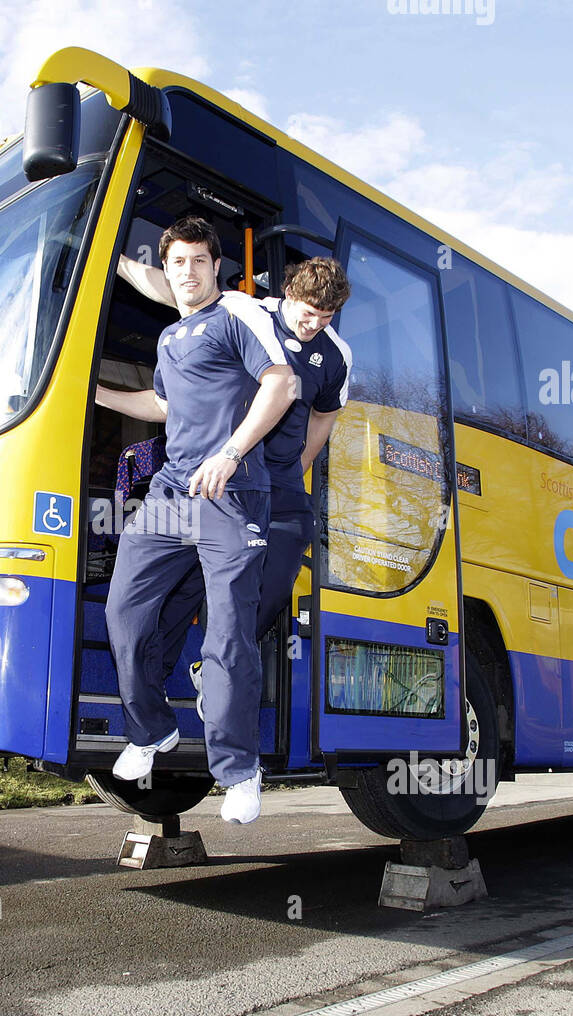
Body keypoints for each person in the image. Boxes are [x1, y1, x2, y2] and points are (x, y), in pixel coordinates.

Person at [100, 216, 297, 825]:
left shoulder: (237, 316)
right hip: (171, 491)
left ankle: (238, 771)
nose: (188, 272)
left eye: (199, 261)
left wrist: (232, 451)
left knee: (227, 633)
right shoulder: (169, 339)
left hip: (234, 493)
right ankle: (152, 731)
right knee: (124, 611)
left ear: (217, 269)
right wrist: (95, 393)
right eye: (178, 263)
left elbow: (282, 383)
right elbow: (160, 405)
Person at [105, 255, 353, 721]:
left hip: (275, 485)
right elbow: (170, 287)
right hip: (219, 479)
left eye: (325, 318)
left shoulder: (336, 353)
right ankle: (149, 688)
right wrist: (114, 260)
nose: (313, 325)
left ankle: (212, 669)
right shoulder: (245, 311)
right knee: (183, 582)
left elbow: (323, 417)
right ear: (288, 295)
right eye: (306, 313)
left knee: (272, 584)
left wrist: (298, 466)